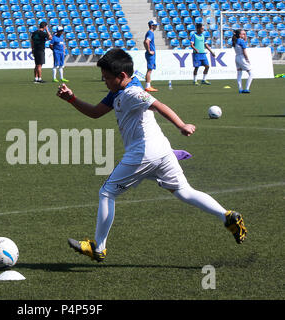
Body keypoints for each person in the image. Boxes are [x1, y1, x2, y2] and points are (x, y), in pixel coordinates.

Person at [56, 49, 247, 262]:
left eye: (107, 78)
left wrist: (181, 125)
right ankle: (227, 216)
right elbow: (95, 112)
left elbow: (158, 105)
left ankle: (98, 248)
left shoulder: (132, 92)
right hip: (161, 150)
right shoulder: (118, 91)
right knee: (184, 191)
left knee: (107, 193)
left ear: (121, 77)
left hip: (143, 153)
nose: (104, 81)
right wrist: (71, 99)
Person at [232, 29, 253, 93]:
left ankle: (240, 89)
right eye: (243, 34)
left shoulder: (235, 40)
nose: (244, 35)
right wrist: (247, 59)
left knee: (239, 74)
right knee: (251, 73)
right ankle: (246, 88)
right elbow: (244, 52)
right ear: (240, 35)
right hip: (242, 57)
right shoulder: (241, 41)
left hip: (237, 57)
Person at [143, 19, 158, 92]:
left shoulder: (149, 33)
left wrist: (147, 50)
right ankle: (148, 86)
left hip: (149, 54)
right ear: (152, 26)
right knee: (149, 70)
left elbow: (144, 42)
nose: (156, 26)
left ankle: (148, 86)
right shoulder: (150, 33)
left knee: (149, 70)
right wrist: (149, 51)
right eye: (155, 25)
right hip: (150, 54)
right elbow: (146, 41)